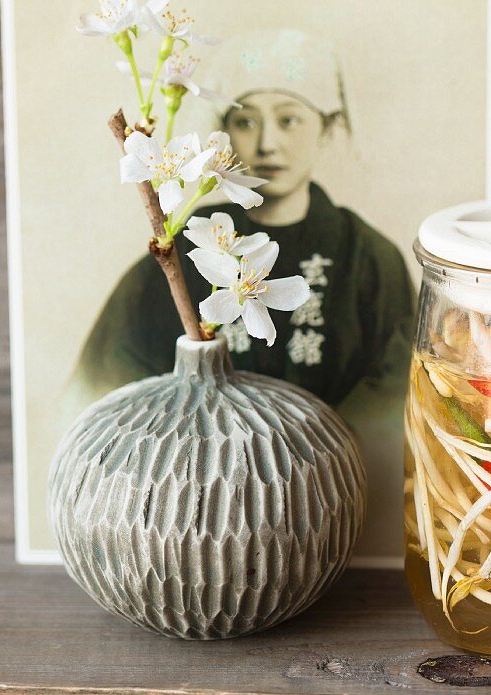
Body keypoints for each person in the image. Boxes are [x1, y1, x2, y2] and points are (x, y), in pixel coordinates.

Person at [66, 30, 415, 411]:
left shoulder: (371, 256)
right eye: (246, 123)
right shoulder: (185, 243)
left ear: (327, 130)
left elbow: (394, 399)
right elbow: (109, 376)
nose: (267, 144)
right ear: (225, 133)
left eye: (289, 120)